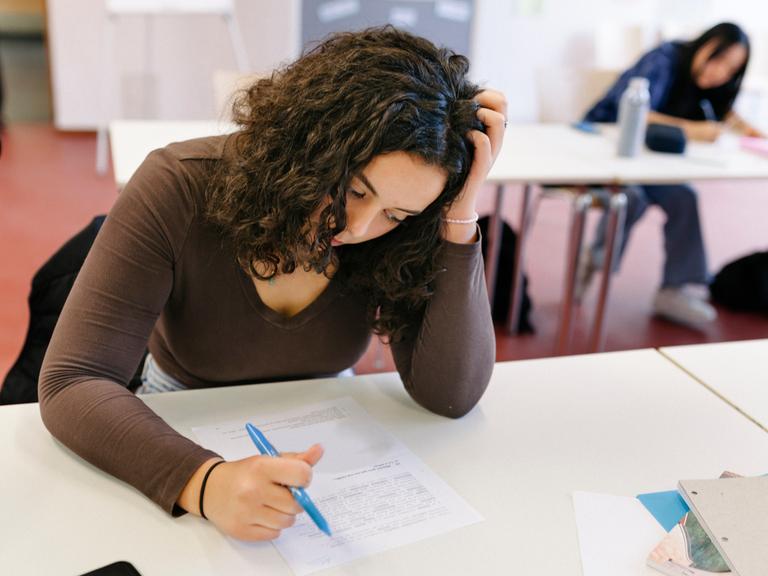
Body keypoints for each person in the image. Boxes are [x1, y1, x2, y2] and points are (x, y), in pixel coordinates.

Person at [38, 27, 505, 542]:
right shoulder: (180, 184)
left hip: (325, 431)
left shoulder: (401, 236)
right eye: (352, 189)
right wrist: (205, 481)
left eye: (395, 213)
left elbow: (451, 396)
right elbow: (73, 381)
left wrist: (457, 216)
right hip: (176, 421)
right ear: (313, 141)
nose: (359, 228)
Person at [578, 22, 763, 326]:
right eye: (718, 60)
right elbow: (636, 113)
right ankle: (596, 258)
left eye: (730, 71)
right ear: (705, 43)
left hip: (653, 164)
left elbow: (723, 114)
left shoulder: (706, 84)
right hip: (606, 154)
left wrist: (750, 131)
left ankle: (674, 288)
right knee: (630, 197)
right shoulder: (664, 59)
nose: (720, 73)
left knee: (684, 196)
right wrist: (695, 131)